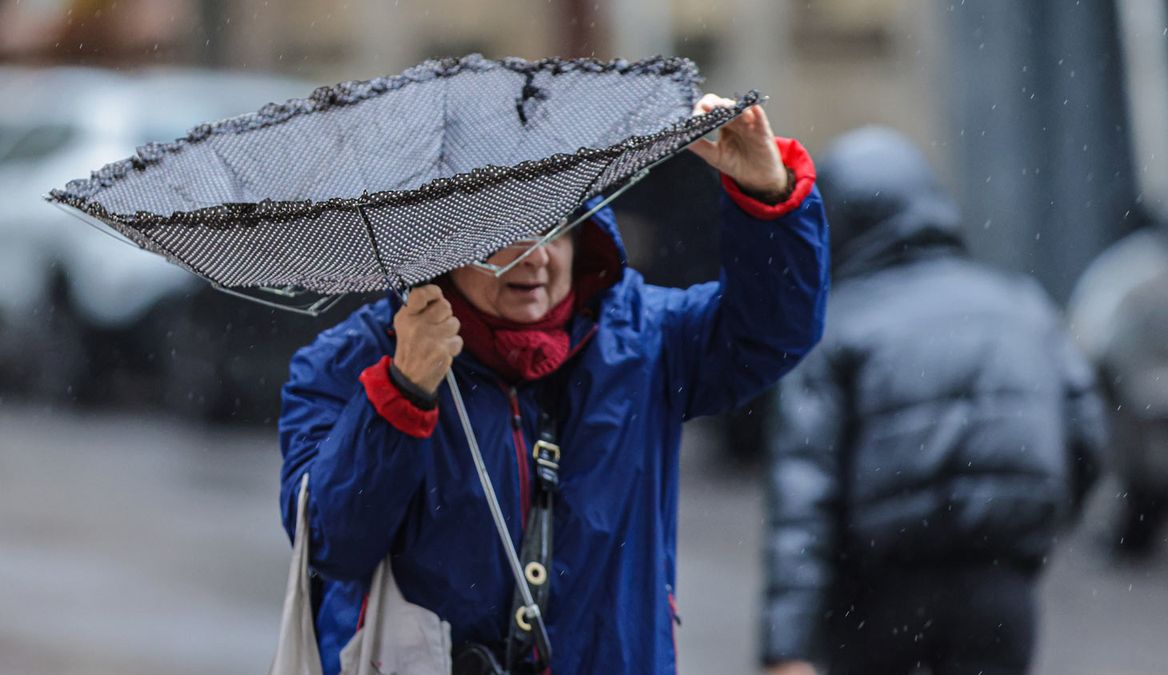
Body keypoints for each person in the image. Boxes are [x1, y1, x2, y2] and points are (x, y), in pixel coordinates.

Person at [279, 95, 829, 675]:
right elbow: (333, 546)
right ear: (442, 248)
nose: (536, 257)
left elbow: (772, 333)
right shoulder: (345, 365)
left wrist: (770, 197)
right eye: (504, 233)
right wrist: (402, 393)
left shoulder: (646, 336)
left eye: (557, 227)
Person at [760, 127, 1105, 675]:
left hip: (877, 602)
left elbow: (805, 497)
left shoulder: (838, 326)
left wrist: (786, 644)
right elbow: (1086, 438)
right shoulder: (1021, 305)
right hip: (999, 591)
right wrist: (1029, 536)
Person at [1068, 209, 1168, 558]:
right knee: (1141, 468)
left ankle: (1133, 535)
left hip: (1117, 372)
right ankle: (1132, 536)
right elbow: (1106, 342)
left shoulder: (1134, 263)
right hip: (1113, 373)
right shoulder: (1145, 269)